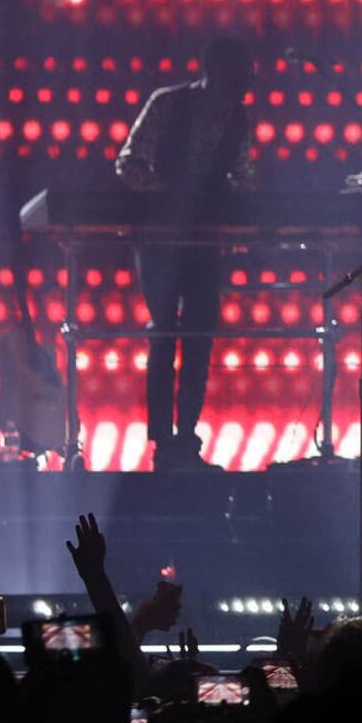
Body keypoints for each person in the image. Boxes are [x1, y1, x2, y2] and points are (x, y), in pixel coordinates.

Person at [116, 34, 257, 469]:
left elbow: (244, 173)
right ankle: (163, 440)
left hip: (204, 237)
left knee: (199, 336)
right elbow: (129, 163)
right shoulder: (168, 103)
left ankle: (186, 435)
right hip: (160, 235)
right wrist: (171, 194)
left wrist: (232, 200)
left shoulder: (239, 117)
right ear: (212, 70)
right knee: (164, 332)